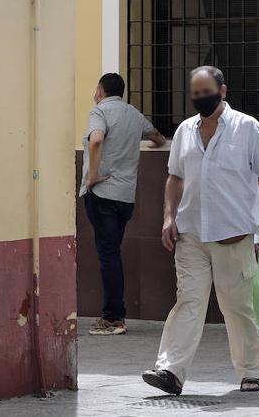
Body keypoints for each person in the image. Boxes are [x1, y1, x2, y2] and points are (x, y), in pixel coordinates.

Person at [142, 66, 259, 397]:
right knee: (188, 301)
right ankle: (170, 371)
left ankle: (251, 371)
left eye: (207, 92)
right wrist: (168, 217)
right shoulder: (186, 130)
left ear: (223, 90)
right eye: (196, 93)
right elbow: (175, 177)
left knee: (237, 305)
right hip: (190, 235)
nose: (202, 98)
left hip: (233, 235)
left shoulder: (247, 128)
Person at [80, 73, 166, 335]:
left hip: (102, 193)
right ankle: (114, 315)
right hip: (125, 196)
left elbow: (96, 140)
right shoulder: (133, 114)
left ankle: (113, 318)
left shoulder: (100, 112)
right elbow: (158, 137)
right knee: (112, 253)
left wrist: (92, 175)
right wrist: (152, 142)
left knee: (108, 255)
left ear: (100, 90)